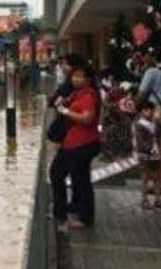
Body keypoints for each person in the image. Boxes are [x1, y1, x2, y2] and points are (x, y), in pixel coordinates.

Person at [49, 65, 101, 230]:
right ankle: (61, 211)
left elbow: (87, 119)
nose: (76, 79)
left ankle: (85, 218)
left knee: (81, 181)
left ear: (88, 79)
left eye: (80, 76)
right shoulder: (77, 94)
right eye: (74, 76)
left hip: (82, 144)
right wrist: (63, 103)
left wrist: (65, 111)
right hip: (70, 144)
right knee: (57, 173)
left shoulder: (89, 96)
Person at [137, 48, 161, 195]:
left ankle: (158, 185)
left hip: (155, 113)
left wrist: (137, 107)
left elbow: (142, 93)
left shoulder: (152, 72)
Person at [133, 100, 161, 210]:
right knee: (145, 176)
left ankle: (157, 199)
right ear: (142, 112)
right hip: (144, 154)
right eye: (146, 110)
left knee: (157, 176)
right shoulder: (139, 125)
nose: (149, 112)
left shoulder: (154, 124)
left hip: (155, 154)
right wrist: (149, 149)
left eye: (151, 110)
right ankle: (144, 199)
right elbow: (140, 141)